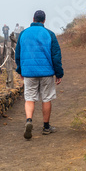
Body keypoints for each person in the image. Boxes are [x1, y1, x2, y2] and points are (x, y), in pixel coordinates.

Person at [15, 10, 64, 140]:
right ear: (44, 20)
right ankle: (46, 127)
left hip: (29, 73)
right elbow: (56, 56)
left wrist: (20, 70)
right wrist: (59, 73)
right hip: (46, 72)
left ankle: (29, 120)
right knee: (46, 98)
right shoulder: (49, 34)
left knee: (29, 98)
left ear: (33, 19)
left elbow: (18, 55)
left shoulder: (23, 34)